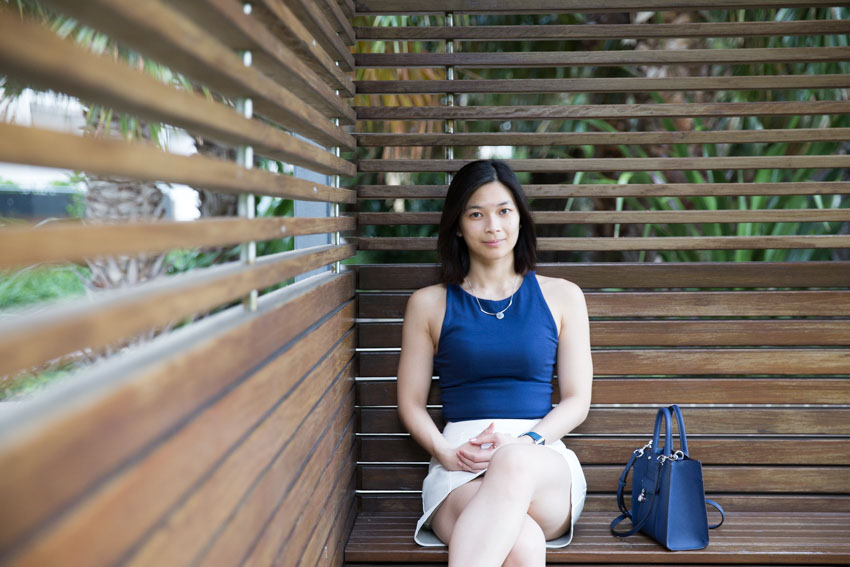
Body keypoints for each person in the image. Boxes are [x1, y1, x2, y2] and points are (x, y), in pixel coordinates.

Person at [396, 159, 594, 567]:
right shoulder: (428, 304)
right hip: (459, 465)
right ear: (457, 224)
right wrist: (446, 453)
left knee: (513, 461)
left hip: (540, 458)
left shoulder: (563, 296)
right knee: (520, 545)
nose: (493, 226)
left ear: (520, 217)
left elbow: (577, 400)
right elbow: (410, 403)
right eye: (476, 214)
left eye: (504, 211)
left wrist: (526, 443)